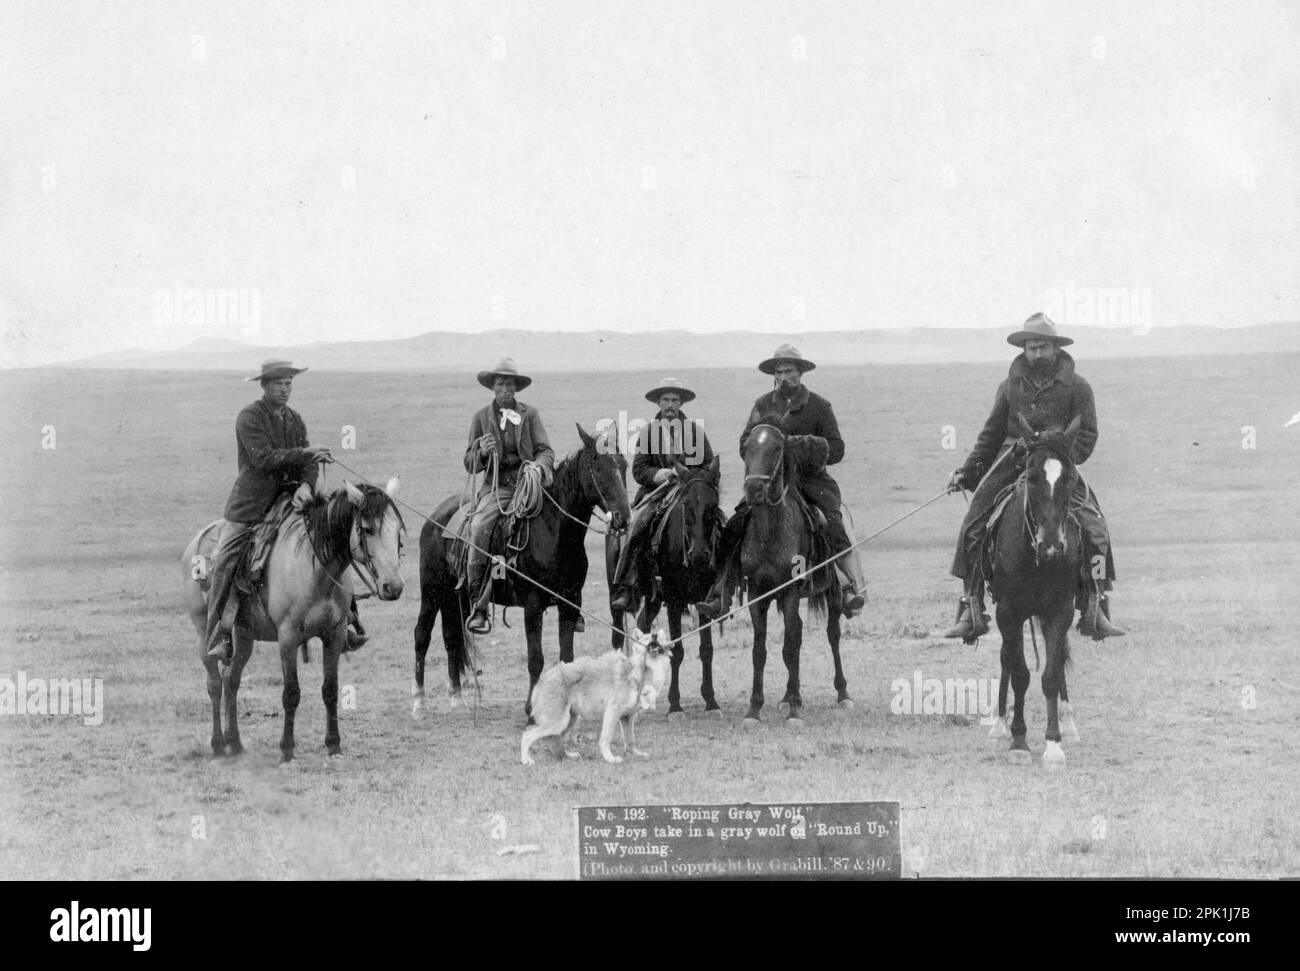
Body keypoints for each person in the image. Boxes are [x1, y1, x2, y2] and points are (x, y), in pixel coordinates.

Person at [942, 313, 1126, 642]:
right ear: (1023, 349)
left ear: (1055, 348)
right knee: (973, 525)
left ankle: (1096, 603)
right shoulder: (1008, 386)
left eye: (1042, 347)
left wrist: (1065, 456)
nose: (1036, 354)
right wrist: (967, 474)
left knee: (1097, 529)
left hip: (1058, 466)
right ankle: (971, 605)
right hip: (1013, 462)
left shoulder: (1079, 387)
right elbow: (991, 434)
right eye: (1031, 348)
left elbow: (1088, 434)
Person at [204, 359, 365, 660]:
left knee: (336, 536)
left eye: (289, 383)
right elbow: (263, 458)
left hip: (293, 500)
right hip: (252, 506)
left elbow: (309, 463)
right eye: (279, 383)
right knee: (225, 560)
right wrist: (306, 452)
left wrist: (306, 485)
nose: (285, 388)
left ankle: (346, 619)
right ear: (264, 385)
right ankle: (221, 633)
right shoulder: (249, 417)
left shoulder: (294, 419)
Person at [695, 344, 867, 621]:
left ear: (801, 372)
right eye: (780, 371)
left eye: (790, 371)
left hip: (811, 482)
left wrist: (800, 446)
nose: (784, 376)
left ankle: (846, 586)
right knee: (736, 525)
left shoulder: (819, 406)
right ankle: (720, 593)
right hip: (770, 482)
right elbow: (745, 443)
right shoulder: (762, 406)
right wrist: (763, 455)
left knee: (832, 521)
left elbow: (836, 449)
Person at [462, 358, 555, 635]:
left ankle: (567, 597)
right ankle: (479, 604)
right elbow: (469, 462)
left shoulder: (530, 414)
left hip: (529, 486)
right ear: (492, 387)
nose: (505, 389)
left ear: (516, 388)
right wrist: (481, 452)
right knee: (479, 527)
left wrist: (538, 466)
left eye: (509, 384)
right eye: (500, 383)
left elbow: (545, 450)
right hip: (498, 488)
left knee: (559, 524)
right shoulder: (480, 418)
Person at [610, 377, 716, 614]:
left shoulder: (695, 432)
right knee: (637, 527)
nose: (670, 405)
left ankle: (720, 587)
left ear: (681, 404)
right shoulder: (647, 433)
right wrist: (662, 473)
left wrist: (691, 476)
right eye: (666, 400)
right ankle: (627, 587)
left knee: (718, 523)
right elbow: (638, 470)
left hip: (690, 492)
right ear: (658, 403)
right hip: (656, 494)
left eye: (675, 400)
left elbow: (709, 465)